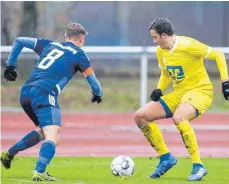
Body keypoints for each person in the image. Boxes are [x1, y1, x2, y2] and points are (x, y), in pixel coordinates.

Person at [1, 22, 103, 181]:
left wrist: (10, 67)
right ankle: (39, 171)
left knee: (43, 131)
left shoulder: (49, 45)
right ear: (81, 38)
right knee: (53, 135)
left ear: (65, 37)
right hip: (45, 93)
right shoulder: (79, 54)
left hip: (26, 92)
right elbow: (94, 84)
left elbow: (19, 40)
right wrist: (98, 94)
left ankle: (9, 153)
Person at [134, 18, 229, 181]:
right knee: (141, 116)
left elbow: (218, 55)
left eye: (155, 37)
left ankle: (198, 166)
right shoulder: (161, 51)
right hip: (179, 93)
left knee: (179, 117)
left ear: (164, 35)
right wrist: (159, 89)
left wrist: (225, 82)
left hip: (200, 90)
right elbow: (165, 73)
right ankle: (166, 158)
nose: (154, 41)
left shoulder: (188, 45)